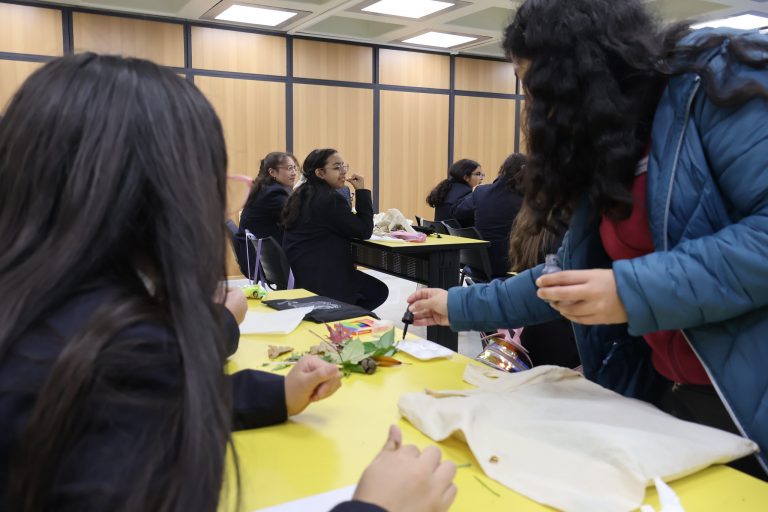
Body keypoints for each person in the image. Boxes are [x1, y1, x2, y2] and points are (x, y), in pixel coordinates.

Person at [0, 54, 456, 511]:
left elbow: (153, 403)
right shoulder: (116, 344)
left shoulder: (50, 314)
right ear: (160, 197)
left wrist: (277, 394)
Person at [408, 0, 768, 478]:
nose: (534, 108)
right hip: (673, 394)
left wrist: (630, 290)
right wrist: (458, 305)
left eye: (538, 87)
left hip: (749, 403)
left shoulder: (713, 88)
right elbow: (565, 278)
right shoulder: (609, 138)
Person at [282, 149, 389, 311]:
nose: (343, 171)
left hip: (303, 272)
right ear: (320, 173)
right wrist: (361, 191)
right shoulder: (329, 199)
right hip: (323, 278)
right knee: (378, 291)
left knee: (372, 289)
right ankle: (340, 315)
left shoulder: (302, 192)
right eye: (337, 167)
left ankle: (340, 314)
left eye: (344, 166)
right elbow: (364, 231)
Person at [453, 153, 526, 277]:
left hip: (478, 267)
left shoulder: (481, 191)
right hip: (510, 267)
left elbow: (457, 212)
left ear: (502, 170)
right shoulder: (526, 199)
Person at [235, 151, 298, 277]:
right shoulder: (274, 193)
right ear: (272, 172)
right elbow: (298, 218)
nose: (294, 173)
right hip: (263, 260)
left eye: (295, 168)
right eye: (289, 168)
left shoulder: (265, 188)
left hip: (253, 254)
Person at [425, 159, 483, 227]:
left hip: (442, 235)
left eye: (482, 175)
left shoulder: (446, 188)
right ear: (466, 177)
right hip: (459, 236)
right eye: (478, 174)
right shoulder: (467, 194)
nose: (481, 178)